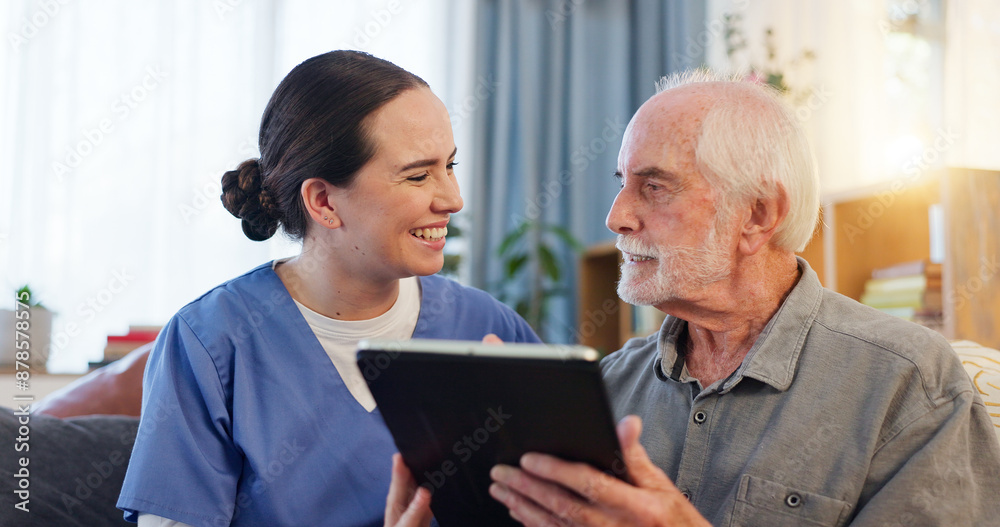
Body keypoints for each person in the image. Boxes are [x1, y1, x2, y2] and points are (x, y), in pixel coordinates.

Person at [388, 70, 1000, 526]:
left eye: (654, 187)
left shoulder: (907, 383)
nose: (616, 217)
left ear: (758, 214)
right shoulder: (603, 390)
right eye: (621, 185)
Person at [116, 50, 540, 527]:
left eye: (450, 166)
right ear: (323, 202)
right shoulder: (211, 344)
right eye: (419, 175)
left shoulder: (490, 328)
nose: (452, 199)